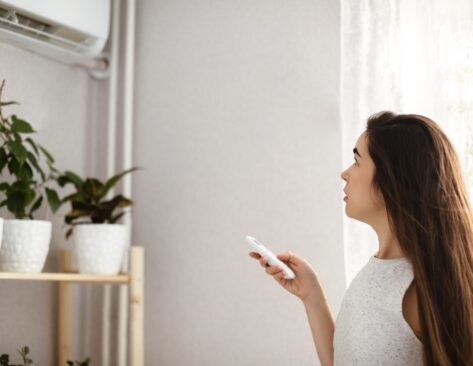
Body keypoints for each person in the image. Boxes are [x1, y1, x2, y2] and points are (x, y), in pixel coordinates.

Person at [249, 111, 473, 366]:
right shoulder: (378, 268)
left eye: (357, 161)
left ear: (393, 177)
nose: (345, 173)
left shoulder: (419, 291)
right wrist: (311, 295)